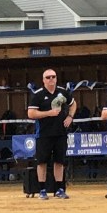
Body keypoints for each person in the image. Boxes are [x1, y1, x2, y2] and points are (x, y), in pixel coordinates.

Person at [27, 68, 77, 200]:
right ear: (43, 80)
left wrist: (70, 117)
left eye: (53, 77)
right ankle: (42, 190)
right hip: (43, 134)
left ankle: (60, 189)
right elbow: (31, 114)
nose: (51, 79)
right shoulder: (38, 95)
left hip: (60, 133)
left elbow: (73, 104)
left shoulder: (62, 92)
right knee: (42, 162)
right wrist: (48, 113)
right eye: (48, 77)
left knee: (59, 162)